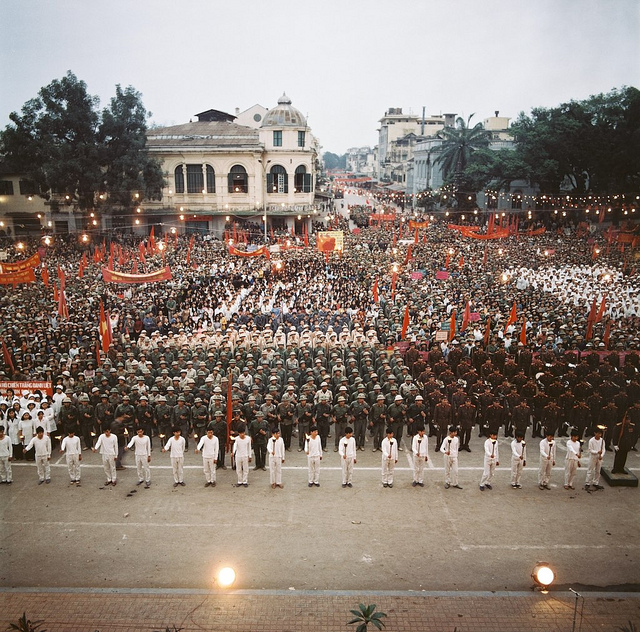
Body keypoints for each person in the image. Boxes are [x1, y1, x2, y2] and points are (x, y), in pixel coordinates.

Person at [585, 426, 605, 491]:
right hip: (593, 457)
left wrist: (601, 455)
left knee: (598, 470)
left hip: (599, 457)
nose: (599, 435)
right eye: (597, 433)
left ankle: (596, 482)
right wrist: (597, 452)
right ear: (594, 433)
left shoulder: (602, 440)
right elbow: (590, 450)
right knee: (590, 469)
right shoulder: (591, 440)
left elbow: (603, 449)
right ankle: (587, 483)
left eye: (600, 434)